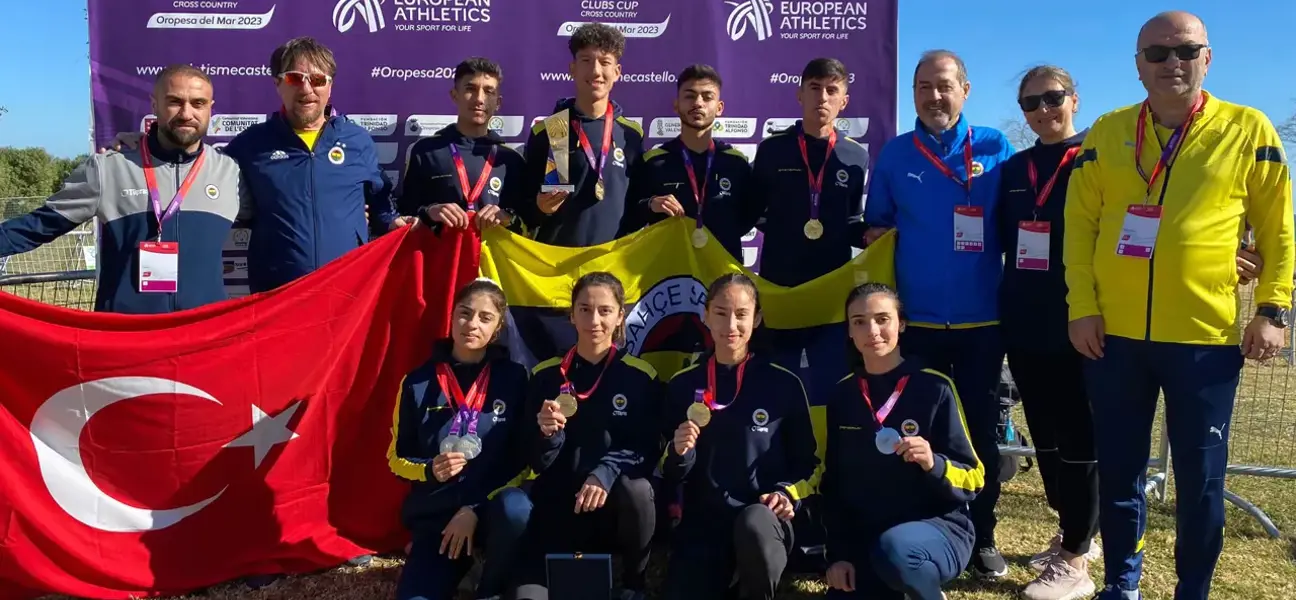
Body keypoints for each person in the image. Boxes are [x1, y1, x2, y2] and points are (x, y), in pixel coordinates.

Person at [1063, 11, 1294, 600]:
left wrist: (1273, 309)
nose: (1173, 62)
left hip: (1203, 340)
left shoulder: (1249, 128)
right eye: (1157, 53)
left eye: (1186, 50)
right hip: (1114, 338)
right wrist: (1081, 306)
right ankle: (1122, 584)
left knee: (1201, 480)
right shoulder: (1107, 131)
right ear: (1138, 66)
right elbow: (1080, 227)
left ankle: (1193, 589)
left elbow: (1278, 230)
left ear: (1207, 59)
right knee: (1120, 470)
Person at [861, 49, 1015, 578]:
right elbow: (876, 226)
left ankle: (983, 533)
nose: (934, 96)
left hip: (981, 323)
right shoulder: (895, 154)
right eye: (923, 87)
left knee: (978, 435)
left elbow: (1020, 221)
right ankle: (923, 526)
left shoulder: (995, 146)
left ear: (965, 90)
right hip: (918, 325)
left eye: (944, 85)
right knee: (914, 432)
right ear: (913, 94)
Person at [0, 64, 249, 314]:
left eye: (198, 103)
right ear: (154, 105)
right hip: (127, 331)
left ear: (210, 108)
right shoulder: (108, 168)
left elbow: (272, 225)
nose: (186, 113)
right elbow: (38, 226)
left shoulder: (231, 173)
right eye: (174, 101)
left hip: (203, 329)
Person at [659, 273, 820, 600]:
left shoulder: (784, 383)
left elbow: (810, 465)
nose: (730, 325)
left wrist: (786, 493)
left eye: (741, 314)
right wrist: (680, 453)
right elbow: (668, 469)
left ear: (756, 319)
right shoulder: (682, 383)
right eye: (720, 313)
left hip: (763, 519)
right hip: (705, 523)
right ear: (705, 315)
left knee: (754, 523)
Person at [820, 282, 980, 600]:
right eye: (859, 322)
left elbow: (974, 478)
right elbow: (834, 483)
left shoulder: (935, 387)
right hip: (870, 537)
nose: (872, 331)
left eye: (883, 319)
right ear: (849, 331)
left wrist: (934, 464)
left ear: (901, 324)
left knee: (897, 551)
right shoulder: (842, 394)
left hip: (936, 528)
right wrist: (839, 554)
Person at [511, 272, 660, 600]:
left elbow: (646, 448)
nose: (594, 320)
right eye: (585, 309)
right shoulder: (545, 375)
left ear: (620, 316)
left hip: (611, 509)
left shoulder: (640, 376)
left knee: (639, 490)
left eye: (605, 311)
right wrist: (546, 435)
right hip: (556, 511)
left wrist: (604, 473)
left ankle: (633, 583)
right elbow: (532, 459)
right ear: (571, 315)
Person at [222, 36, 406, 293]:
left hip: (347, 289)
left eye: (318, 80)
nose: (307, 89)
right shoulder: (250, 145)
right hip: (277, 293)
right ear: (277, 84)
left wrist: (394, 222)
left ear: (330, 86)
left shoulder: (357, 140)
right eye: (294, 78)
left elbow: (380, 204)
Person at [388, 278, 533, 600]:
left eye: (485, 318)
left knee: (516, 507)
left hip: (491, 512)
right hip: (438, 519)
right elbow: (396, 458)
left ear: (497, 328)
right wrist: (429, 469)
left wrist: (474, 507)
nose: (472, 324)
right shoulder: (417, 383)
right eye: (465, 313)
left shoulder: (515, 379)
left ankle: (488, 587)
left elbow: (524, 458)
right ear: (452, 316)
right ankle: (459, 565)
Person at [748, 56, 870, 401]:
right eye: (814, 88)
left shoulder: (855, 156)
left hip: (831, 295)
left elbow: (851, 221)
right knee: (775, 386)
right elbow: (751, 213)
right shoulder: (772, 150)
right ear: (799, 94)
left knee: (831, 388)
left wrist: (868, 236)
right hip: (780, 291)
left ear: (844, 101)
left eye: (832, 90)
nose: (822, 97)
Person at [519, 23, 644, 247]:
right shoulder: (554, 129)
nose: (595, 71)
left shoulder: (631, 135)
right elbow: (525, 212)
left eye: (605, 62)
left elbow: (638, 205)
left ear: (617, 72)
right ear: (573, 68)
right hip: (560, 261)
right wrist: (540, 208)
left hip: (614, 261)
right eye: (586, 60)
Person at [620, 64, 756, 260]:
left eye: (707, 97)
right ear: (676, 105)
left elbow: (749, 217)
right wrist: (651, 204)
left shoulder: (736, 163)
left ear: (719, 108)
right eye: (690, 96)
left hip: (723, 271)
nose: (698, 103)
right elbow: (629, 216)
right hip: (669, 270)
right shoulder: (654, 161)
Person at [398, 57, 527, 234]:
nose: (479, 99)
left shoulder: (511, 160)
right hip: (441, 252)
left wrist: (507, 217)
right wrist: (430, 212)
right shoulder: (425, 151)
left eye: (488, 91)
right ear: (454, 95)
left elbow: (527, 226)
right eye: (470, 89)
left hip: (491, 252)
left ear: (498, 102)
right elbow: (404, 217)